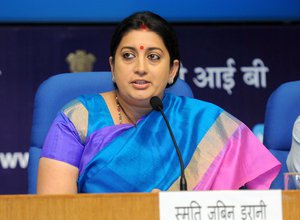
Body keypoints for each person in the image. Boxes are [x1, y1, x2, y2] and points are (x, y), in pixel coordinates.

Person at [37, 11, 281, 194]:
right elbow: (55, 211)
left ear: (173, 70)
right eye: (128, 56)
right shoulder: (78, 119)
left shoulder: (204, 123)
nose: (140, 68)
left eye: (153, 57)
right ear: (112, 66)